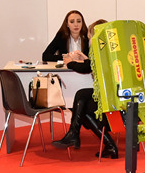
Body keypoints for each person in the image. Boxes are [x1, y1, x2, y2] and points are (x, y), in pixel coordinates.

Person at [43, 12, 117, 157]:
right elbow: (91, 64)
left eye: (90, 37)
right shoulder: (108, 50)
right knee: (81, 99)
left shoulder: (99, 50)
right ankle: (76, 135)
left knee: (81, 104)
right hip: (110, 93)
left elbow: (87, 68)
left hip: (109, 97)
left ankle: (76, 135)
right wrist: (83, 58)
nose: (89, 40)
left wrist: (70, 62)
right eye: (72, 21)